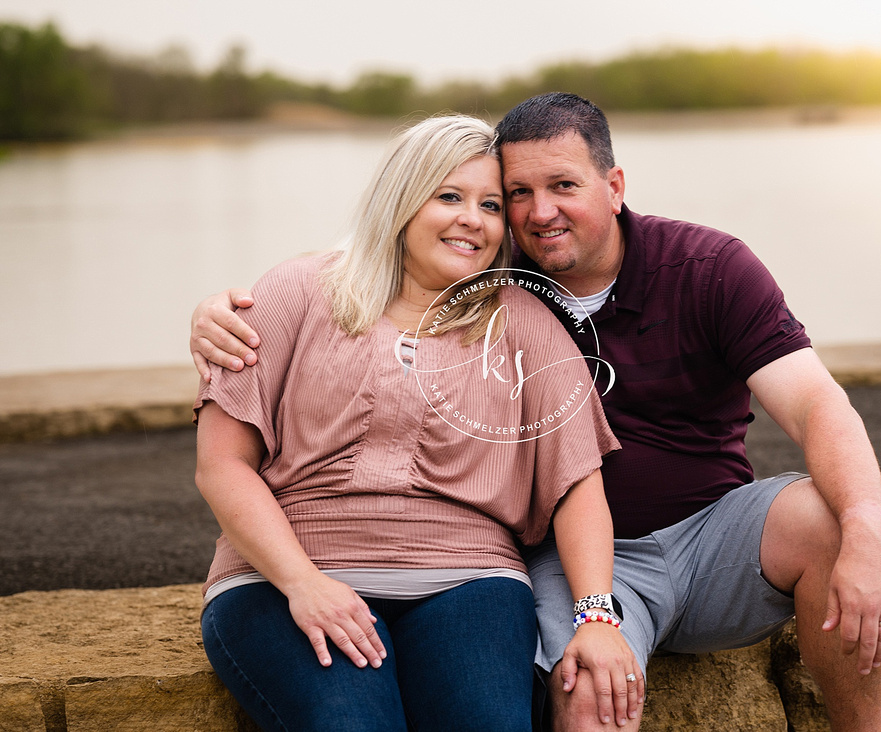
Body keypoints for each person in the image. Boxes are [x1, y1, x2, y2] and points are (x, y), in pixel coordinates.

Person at [191, 94, 881, 732]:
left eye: (552, 188)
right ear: (406, 198)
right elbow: (230, 455)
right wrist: (210, 314)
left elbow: (812, 407)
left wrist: (870, 529)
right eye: (509, 195)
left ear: (614, 185)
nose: (530, 214)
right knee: (561, 692)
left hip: (646, 545)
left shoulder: (647, 283)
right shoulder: (341, 290)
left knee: (829, 521)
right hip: (460, 566)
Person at [192, 114, 641, 732]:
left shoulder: (525, 320)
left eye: (490, 205)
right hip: (285, 576)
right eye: (449, 196)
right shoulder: (296, 291)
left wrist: (596, 618)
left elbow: (576, 485)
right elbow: (222, 463)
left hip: (471, 579)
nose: (472, 219)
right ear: (401, 200)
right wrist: (303, 583)